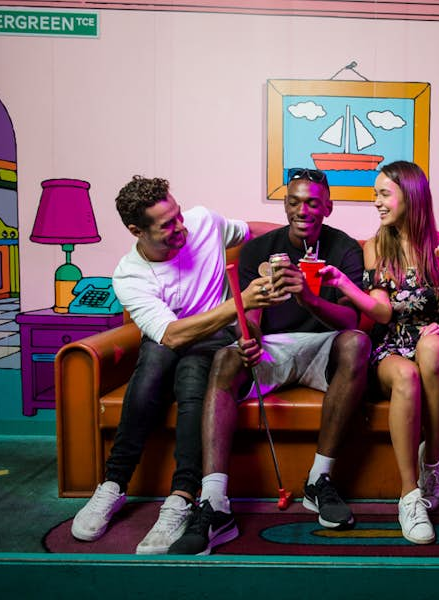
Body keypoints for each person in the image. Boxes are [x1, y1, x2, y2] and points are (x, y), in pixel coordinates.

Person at [168, 168, 370, 555]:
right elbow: (253, 319)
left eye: (312, 202)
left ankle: (319, 481)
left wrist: (308, 298)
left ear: (326, 206)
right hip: (275, 347)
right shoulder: (259, 251)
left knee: (358, 343)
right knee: (226, 359)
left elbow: (352, 321)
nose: (302, 210)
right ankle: (214, 503)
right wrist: (250, 340)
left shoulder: (345, 249)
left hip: (324, 346)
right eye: (294, 201)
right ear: (285, 205)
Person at [70, 176, 269, 553]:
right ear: (136, 231)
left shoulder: (203, 222)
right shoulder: (129, 275)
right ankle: (112, 486)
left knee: (193, 374)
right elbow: (171, 335)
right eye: (166, 225)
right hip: (172, 339)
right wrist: (239, 301)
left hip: (215, 341)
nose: (181, 228)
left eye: (178, 215)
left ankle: (179, 498)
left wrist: (308, 237)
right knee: (154, 365)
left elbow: (251, 230)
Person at [315, 161, 439, 545]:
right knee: (407, 375)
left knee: (432, 344)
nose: (375, 202)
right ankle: (410, 497)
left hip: (433, 347)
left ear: (410, 197)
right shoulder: (377, 245)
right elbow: (382, 311)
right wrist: (344, 282)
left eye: (383, 193)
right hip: (390, 345)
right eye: (375, 193)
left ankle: (434, 459)